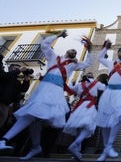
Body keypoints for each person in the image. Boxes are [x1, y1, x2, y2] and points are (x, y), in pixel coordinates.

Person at [0, 30, 93, 160]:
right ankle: (35, 146)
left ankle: (5, 140)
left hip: (55, 92)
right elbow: (44, 44)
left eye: (75, 52)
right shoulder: (53, 57)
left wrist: (89, 49)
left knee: (33, 115)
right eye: (71, 50)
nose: (73, 51)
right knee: (34, 118)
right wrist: (58, 36)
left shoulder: (73, 65)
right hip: (43, 89)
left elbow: (88, 63)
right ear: (66, 52)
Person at [62, 70, 106, 161]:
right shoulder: (96, 83)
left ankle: (77, 152)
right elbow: (104, 87)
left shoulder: (79, 85)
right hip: (89, 105)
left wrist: (71, 82)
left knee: (79, 128)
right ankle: (75, 146)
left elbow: (70, 89)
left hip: (79, 106)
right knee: (88, 127)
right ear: (92, 77)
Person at [0, 58, 32, 129]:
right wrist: (19, 70)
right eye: (17, 68)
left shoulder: (16, 81)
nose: (19, 70)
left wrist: (26, 79)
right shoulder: (6, 76)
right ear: (11, 68)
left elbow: (23, 89)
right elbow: (5, 76)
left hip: (6, 105)